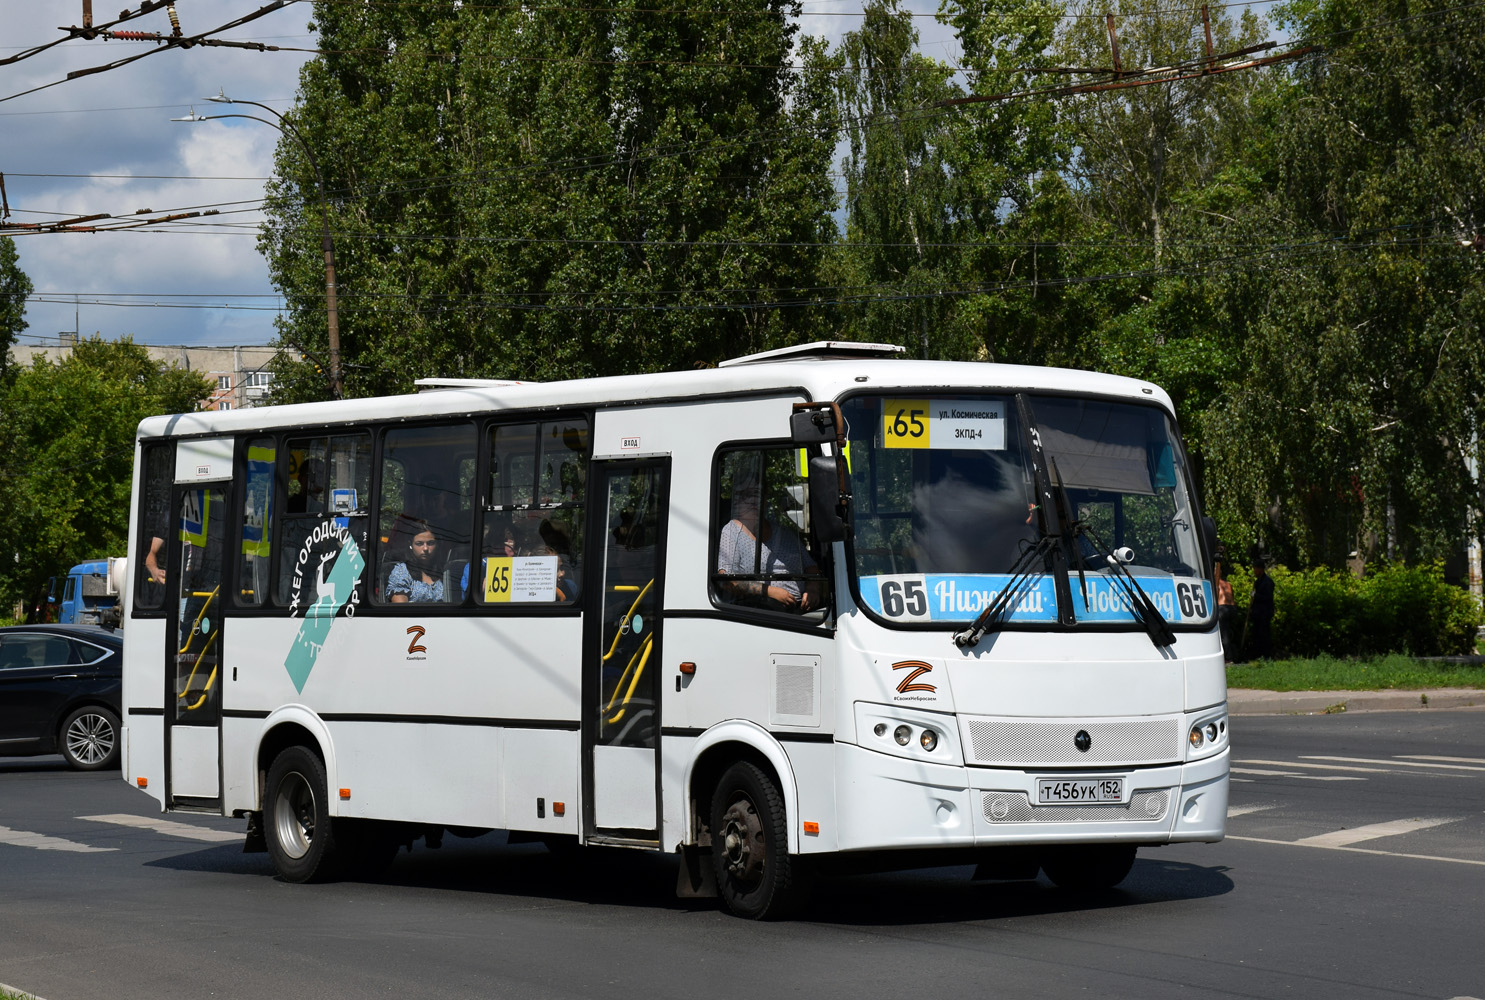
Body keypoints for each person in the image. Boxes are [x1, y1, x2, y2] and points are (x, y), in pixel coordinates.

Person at [716, 472, 819, 611]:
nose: (753, 499)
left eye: (757, 493)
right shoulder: (732, 531)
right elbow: (728, 581)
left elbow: (810, 566)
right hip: (763, 615)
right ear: (737, 499)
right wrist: (769, 591)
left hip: (803, 612)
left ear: (765, 498)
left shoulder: (783, 532)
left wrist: (812, 590)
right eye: (746, 494)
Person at [386, 517, 445, 603]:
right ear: (411, 545)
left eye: (430, 543)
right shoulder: (402, 572)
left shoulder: (444, 571)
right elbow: (401, 609)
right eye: (419, 543)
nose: (425, 548)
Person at [1247, 558, 1275, 660]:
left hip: (1265, 612)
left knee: (1264, 634)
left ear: (1261, 569)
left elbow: (1268, 598)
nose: (1254, 571)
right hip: (1257, 613)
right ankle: (1257, 655)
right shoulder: (1257, 582)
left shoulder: (1268, 582)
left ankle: (1266, 656)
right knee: (1256, 634)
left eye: (1256, 569)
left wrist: (1256, 595)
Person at [1215, 561, 1236, 661]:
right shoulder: (1228, 584)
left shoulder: (1215, 584)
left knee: (1224, 634)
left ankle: (1228, 657)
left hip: (1222, 608)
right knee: (1229, 631)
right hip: (1232, 608)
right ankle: (1232, 654)